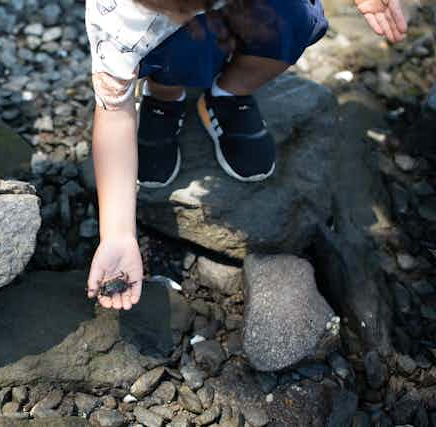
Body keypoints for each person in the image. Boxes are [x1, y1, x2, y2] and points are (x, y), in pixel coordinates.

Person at [84, 0, 407, 310]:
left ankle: (231, 91)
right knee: (184, 47)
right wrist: (117, 234)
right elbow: (113, 113)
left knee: (295, 18)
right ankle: (165, 95)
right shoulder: (118, 19)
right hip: (166, 34)